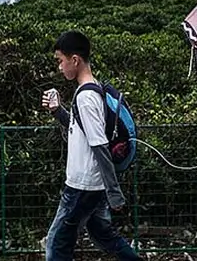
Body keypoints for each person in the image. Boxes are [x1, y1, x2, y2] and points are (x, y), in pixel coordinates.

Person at [41, 30, 143, 261]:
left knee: (56, 245)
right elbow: (82, 134)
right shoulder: (92, 89)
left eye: (60, 60)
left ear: (74, 60)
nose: (59, 67)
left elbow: (100, 147)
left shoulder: (86, 97)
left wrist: (114, 193)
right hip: (93, 187)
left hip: (82, 186)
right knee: (104, 235)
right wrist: (58, 111)